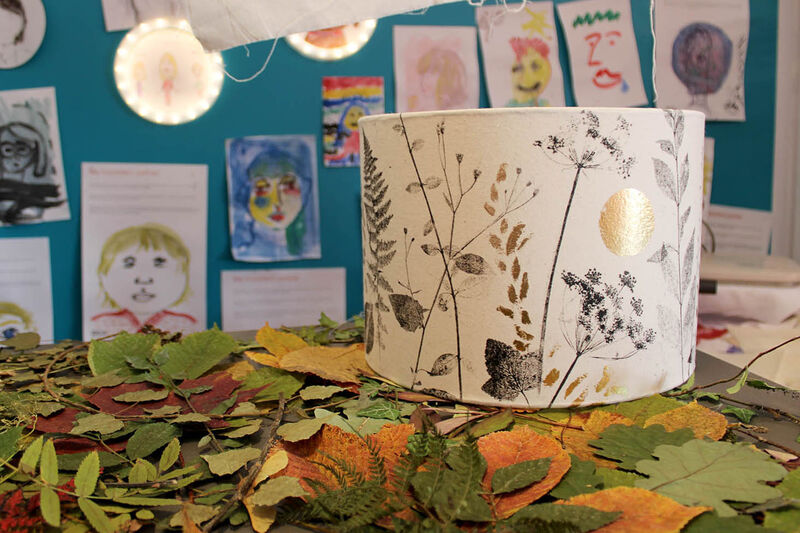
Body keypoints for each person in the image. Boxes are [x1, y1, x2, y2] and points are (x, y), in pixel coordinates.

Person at [91, 223, 197, 334]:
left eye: (159, 263)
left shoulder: (186, 325)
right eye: (129, 263)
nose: (144, 279)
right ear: (102, 274)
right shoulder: (100, 323)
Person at [0, 121, 62, 223]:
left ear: (36, 153)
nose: (15, 158)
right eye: (7, 150)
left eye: (22, 150)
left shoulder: (45, 189)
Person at [507, 37, 552, 107]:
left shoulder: (544, 105)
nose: (524, 76)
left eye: (535, 67)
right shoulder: (509, 107)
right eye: (517, 69)